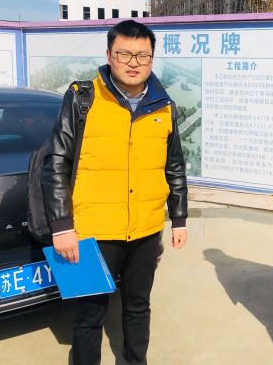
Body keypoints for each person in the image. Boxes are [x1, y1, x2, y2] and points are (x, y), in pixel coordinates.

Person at [42, 20, 188, 365]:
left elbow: (174, 165)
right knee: (90, 314)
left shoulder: (164, 105)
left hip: (145, 229)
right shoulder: (83, 98)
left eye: (143, 55)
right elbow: (56, 162)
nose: (133, 63)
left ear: (152, 59)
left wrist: (179, 218)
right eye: (124, 54)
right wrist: (62, 226)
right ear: (109, 55)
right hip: (91, 231)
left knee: (138, 307)